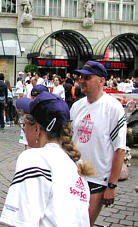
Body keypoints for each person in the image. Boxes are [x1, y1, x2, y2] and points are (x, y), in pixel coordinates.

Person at [0, 92, 95, 227]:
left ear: (37, 129)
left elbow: (22, 221)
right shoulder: (76, 166)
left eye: (24, 124)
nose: (24, 128)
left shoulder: (33, 158)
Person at [71, 61, 127, 227]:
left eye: (87, 77)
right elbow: (69, 140)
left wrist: (111, 185)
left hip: (98, 179)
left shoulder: (113, 108)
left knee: (85, 223)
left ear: (101, 81)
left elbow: (119, 149)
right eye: (80, 77)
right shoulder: (76, 106)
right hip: (75, 176)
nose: (81, 80)